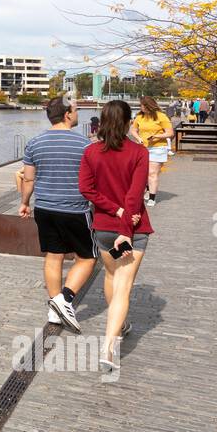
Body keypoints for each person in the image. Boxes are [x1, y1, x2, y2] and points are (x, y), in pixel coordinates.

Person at [79, 100, 151, 375]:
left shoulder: (91, 152)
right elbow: (135, 193)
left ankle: (118, 323)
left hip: (104, 227)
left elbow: (86, 188)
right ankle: (109, 346)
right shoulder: (139, 152)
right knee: (124, 286)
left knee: (111, 277)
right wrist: (126, 220)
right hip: (132, 228)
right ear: (128, 121)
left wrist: (113, 209)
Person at [19, 97, 97, 332]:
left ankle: (55, 311)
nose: (78, 114)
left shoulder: (35, 142)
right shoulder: (85, 144)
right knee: (87, 257)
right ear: (67, 114)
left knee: (54, 256)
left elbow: (29, 179)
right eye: (76, 110)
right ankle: (65, 299)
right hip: (75, 208)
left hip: (44, 208)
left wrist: (24, 202)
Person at [130, 96, 173, 207]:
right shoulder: (140, 116)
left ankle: (152, 197)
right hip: (143, 148)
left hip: (158, 148)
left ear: (148, 106)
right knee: (143, 172)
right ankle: (148, 188)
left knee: (152, 173)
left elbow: (170, 133)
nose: (141, 107)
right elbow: (133, 130)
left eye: (142, 105)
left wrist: (157, 136)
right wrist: (138, 138)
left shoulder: (161, 116)